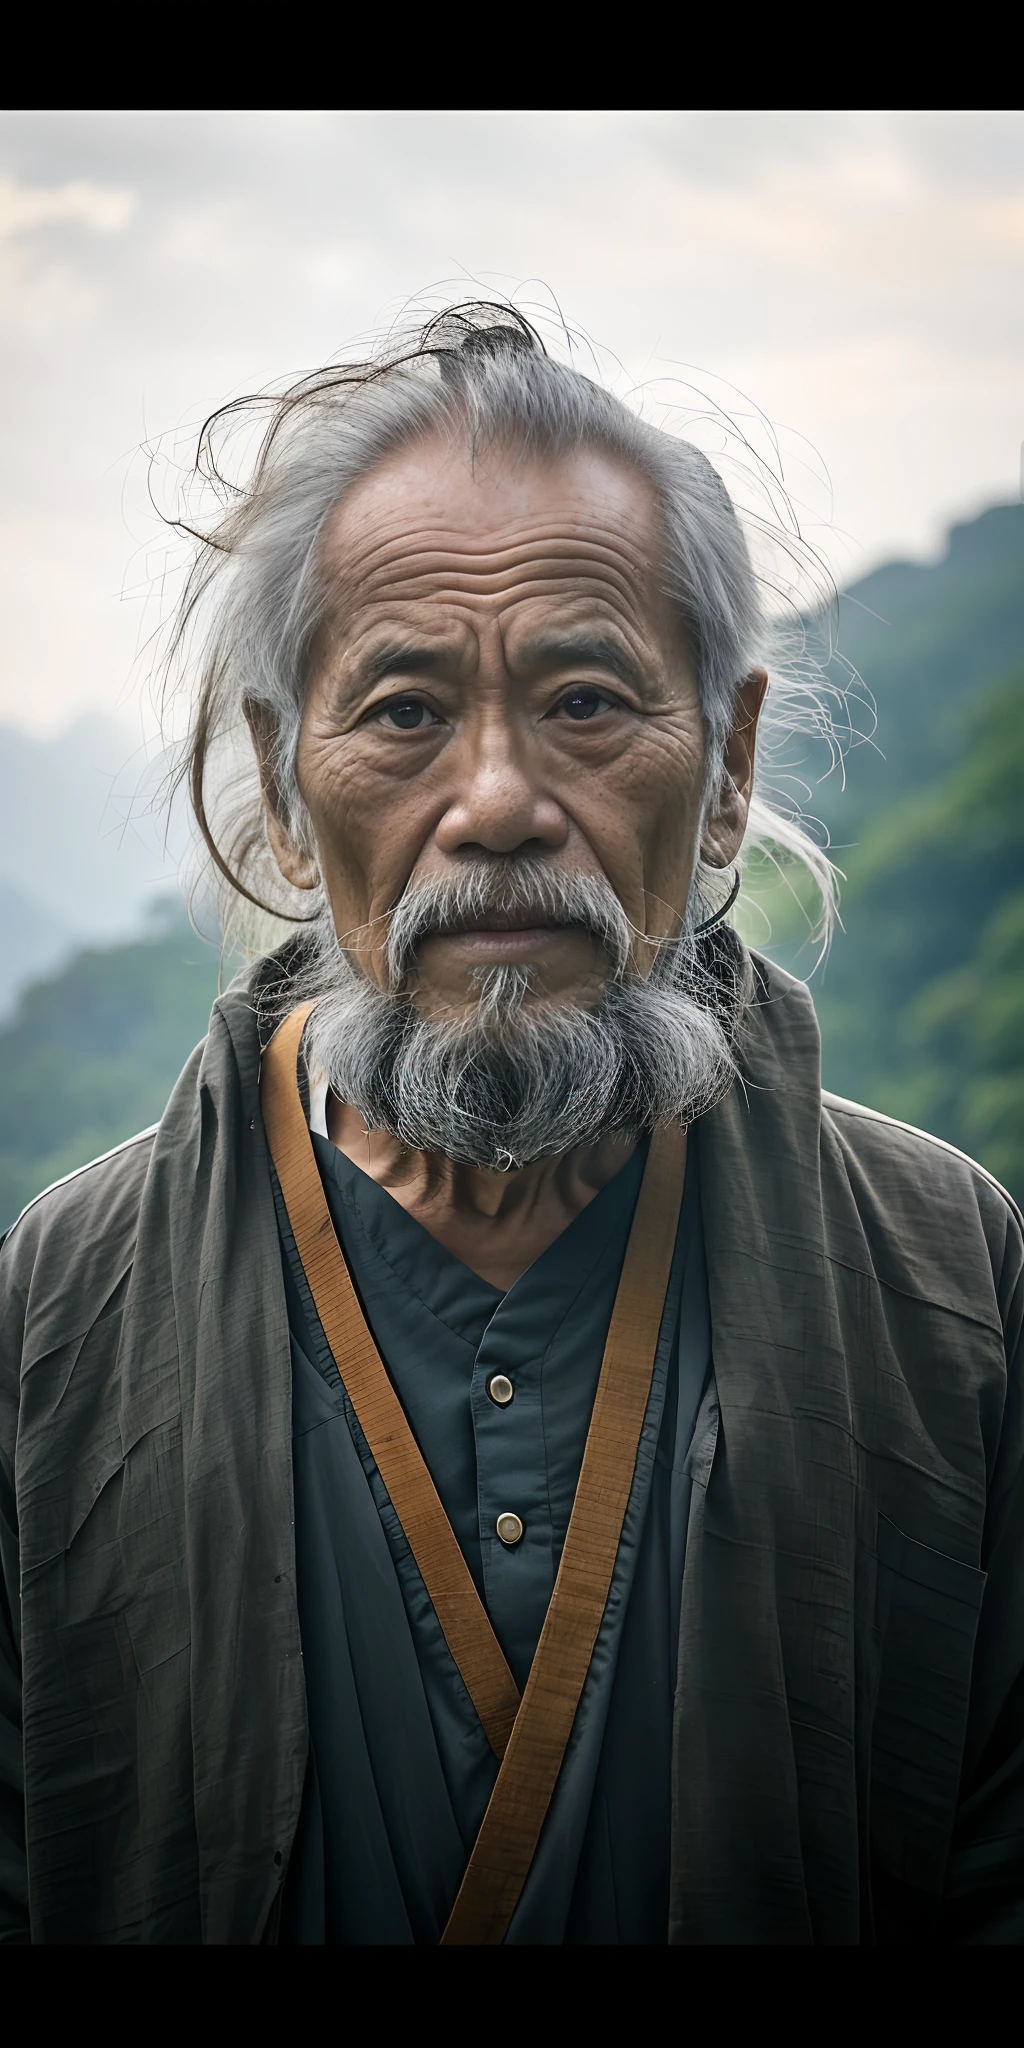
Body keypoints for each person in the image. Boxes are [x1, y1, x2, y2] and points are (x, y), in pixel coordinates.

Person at [2, 304, 1021, 1945]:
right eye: (403, 711)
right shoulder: (57, 1310)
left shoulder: (950, 1278)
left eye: (589, 702)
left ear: (733, 762)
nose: (495, 801)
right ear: (280, 779)